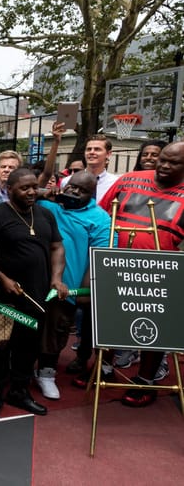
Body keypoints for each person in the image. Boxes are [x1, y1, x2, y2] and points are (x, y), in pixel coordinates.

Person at [98, 141, 184, 407]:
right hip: (116, 263)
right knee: (110, 319)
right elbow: (100, 213)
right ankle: (104, 368)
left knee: (153, 328)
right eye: (163, 160)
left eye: (173, 162)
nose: (164, 166)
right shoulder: (129, 180)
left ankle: (146, 380)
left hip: (161, 272)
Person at [0, 168, 68, 419]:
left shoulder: (45, 214)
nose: (31, 192)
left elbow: (57, 247)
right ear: (10, 190)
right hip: (3, 298)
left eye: (34, 187)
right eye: (24, 188)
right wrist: (4, 278)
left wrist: (56, 279)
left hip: (36, 295)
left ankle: (19, 391)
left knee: (27, 347)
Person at [34, 172, 111, 399]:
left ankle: (46, 374)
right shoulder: (49, 205)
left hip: (66, 287)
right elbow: (22, 191)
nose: (74, 192)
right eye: (72, 186)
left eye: (82, 190)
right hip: (34, 280)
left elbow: (100, 255)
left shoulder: (100, 218)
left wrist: (84, 290)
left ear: (92, 194)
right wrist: (46, 193)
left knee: (56, 331)